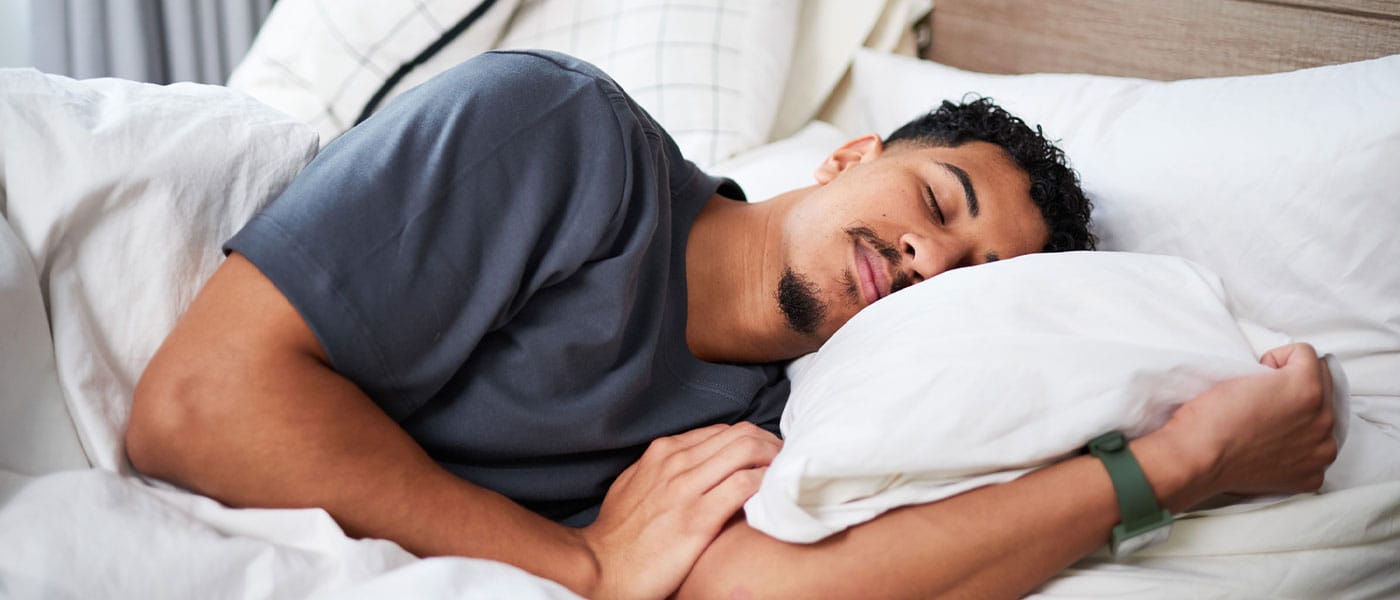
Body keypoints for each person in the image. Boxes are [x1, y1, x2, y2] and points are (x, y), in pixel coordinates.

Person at [126, 50, 1337, 598]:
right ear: (854, 152)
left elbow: (769, 593)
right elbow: (194, 407)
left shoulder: (791, 414)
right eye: (934, 203)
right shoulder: (559, 134)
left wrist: (1172, 466)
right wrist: (576, 564)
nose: (927, 259)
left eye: (962, 280)